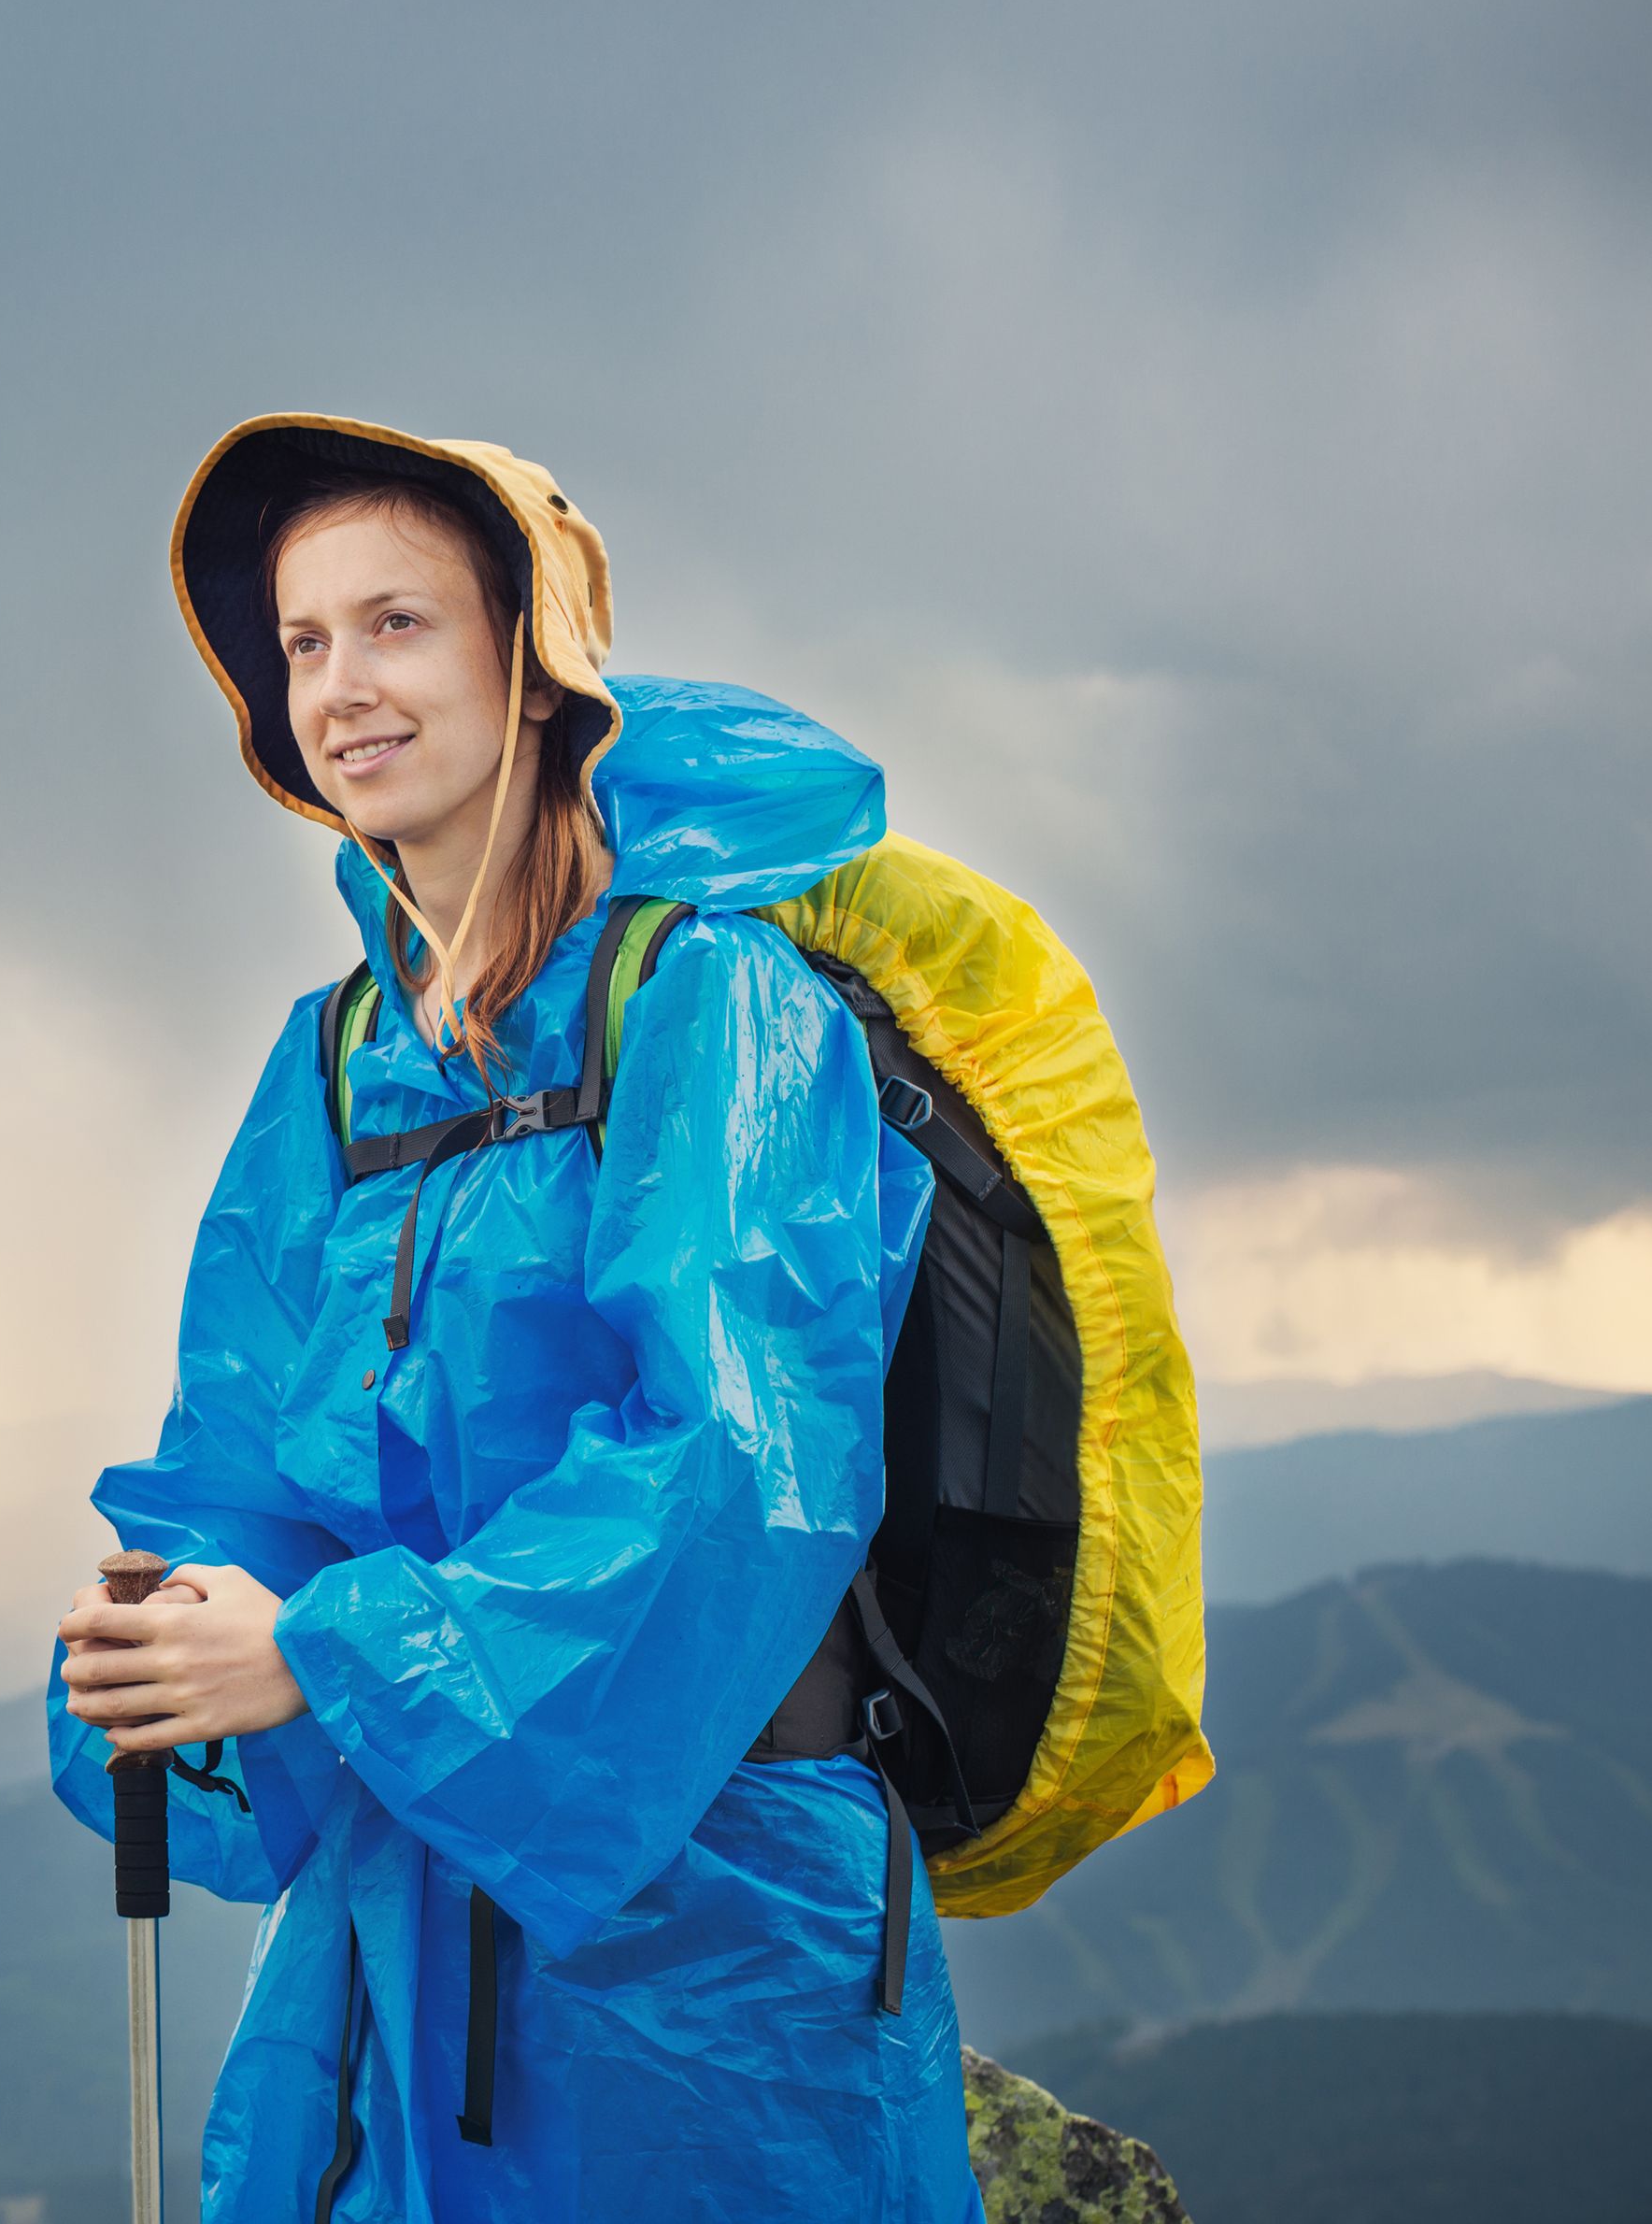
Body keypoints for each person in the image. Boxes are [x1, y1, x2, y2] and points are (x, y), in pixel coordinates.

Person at [48, 415, 982, 2222]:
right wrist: (163, 1642)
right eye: (302, 645)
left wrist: (332, 1653)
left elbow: (739, 1467)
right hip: (407, 1914)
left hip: (719, 1954)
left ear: (536, 667)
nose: (337, 687)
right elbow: (238, 1452)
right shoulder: (335, 1064)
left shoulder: (710, 991)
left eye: (396, 625)